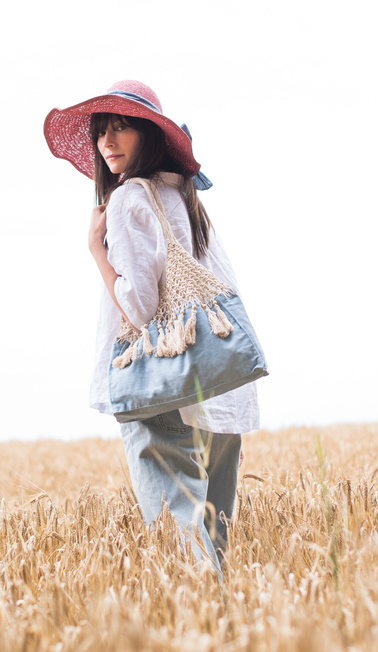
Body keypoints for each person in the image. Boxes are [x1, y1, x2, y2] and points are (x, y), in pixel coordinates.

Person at [44, 80, 262, 575]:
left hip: (161, 385)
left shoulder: (127, 201)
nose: (108, 142)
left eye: (121, 128)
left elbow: (140, 307)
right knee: (215, 541)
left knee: (182, 540)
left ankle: (200, 637)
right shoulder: (184, 199)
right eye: (102, 132)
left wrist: (98, 255)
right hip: (217, 384)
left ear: (149, 134)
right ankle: (231, 639)